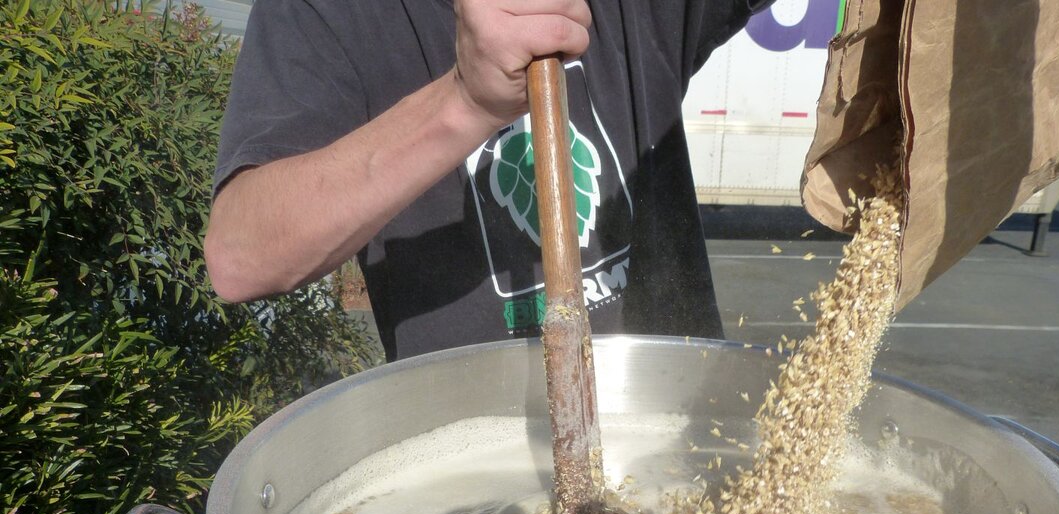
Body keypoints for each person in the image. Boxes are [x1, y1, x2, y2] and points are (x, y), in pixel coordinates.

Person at [204, 0, 772, 361]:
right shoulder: (323, 15)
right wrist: (464, 101)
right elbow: (241, 256)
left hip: (696, 452)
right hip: (466, 486)